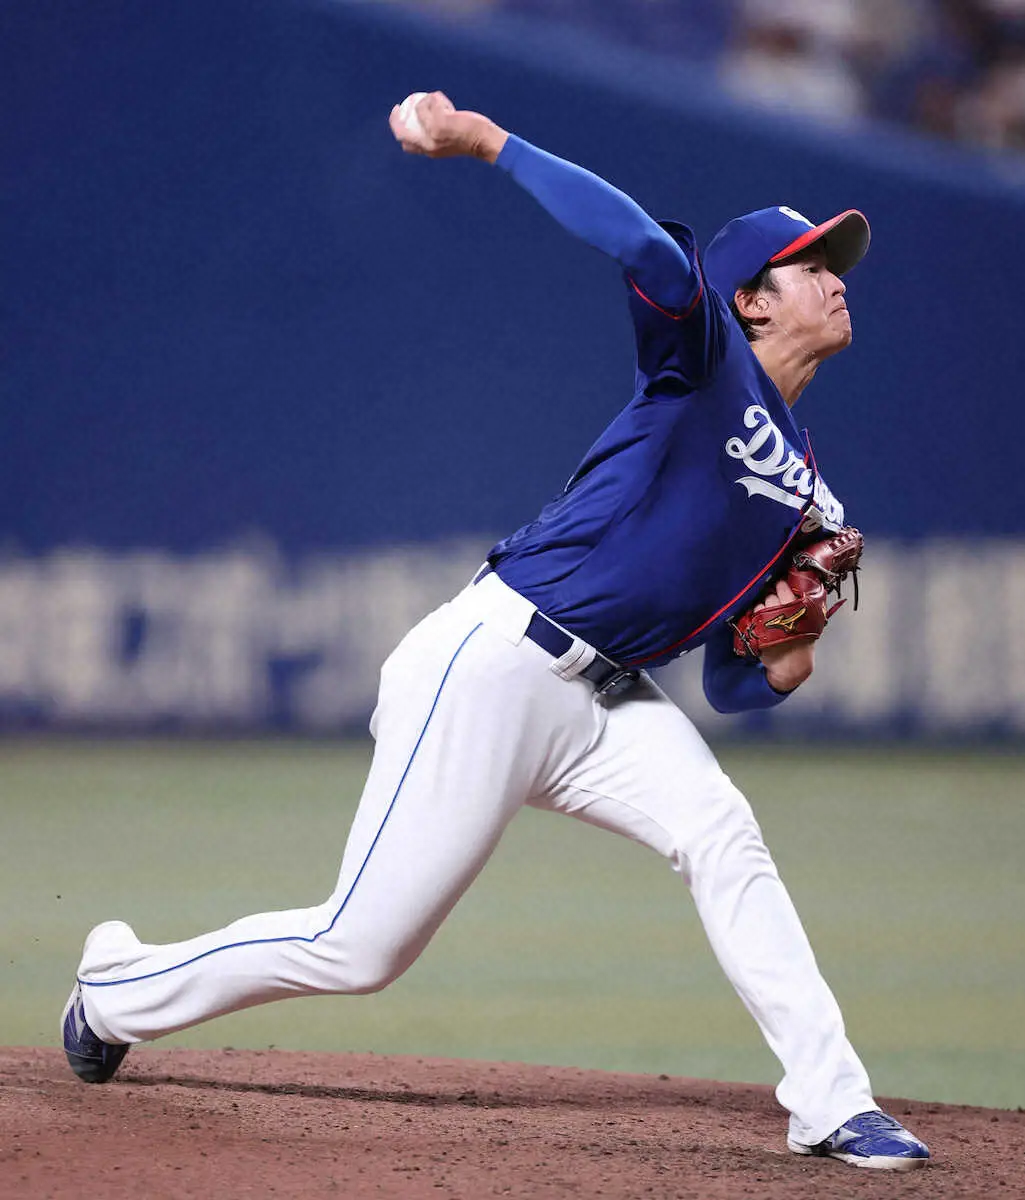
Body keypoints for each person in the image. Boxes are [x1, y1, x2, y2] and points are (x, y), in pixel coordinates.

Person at [61, 91, 930, 1172]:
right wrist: (485, 140)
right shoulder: (705, 359)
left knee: (723, 833)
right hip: (497, 660)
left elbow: (733, 683)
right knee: (360, 948)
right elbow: (640, 245)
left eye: (835, 265)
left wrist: (792, 654)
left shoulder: (807, 491)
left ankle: (833, 1103)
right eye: (810, 265)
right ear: (749, 299)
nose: (837, 280)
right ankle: (116, 989)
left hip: (609, 701)